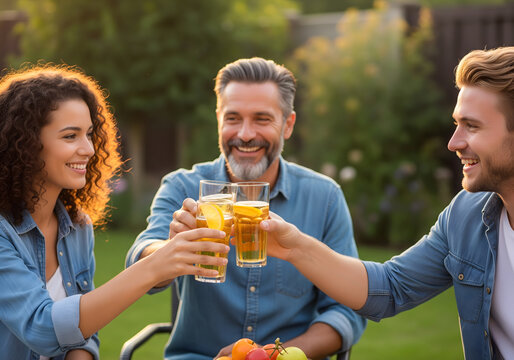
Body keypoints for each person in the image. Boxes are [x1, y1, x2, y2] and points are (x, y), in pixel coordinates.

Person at [260, 46, 514, 360]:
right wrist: (294, 247)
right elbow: (389, 288)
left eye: (472, 126)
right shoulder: (466, 216)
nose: (454, 143)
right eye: (456, 125)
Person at [125, 57, 366, 360]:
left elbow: (347, 307)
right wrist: (168, 252)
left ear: (288, 124)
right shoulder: (182, 186)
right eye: (233, 118)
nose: (246, 134)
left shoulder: (325, 197)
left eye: (262, 119)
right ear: (218, 119)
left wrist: (281, 356)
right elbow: (139, 261)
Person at [0, 65, 228, 360]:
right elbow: (43, 328)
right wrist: (155, 266)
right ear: (27, 144)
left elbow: (83, 333)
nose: (89, 149)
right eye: (71, 136)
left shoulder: (76, 227)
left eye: (89, 134)